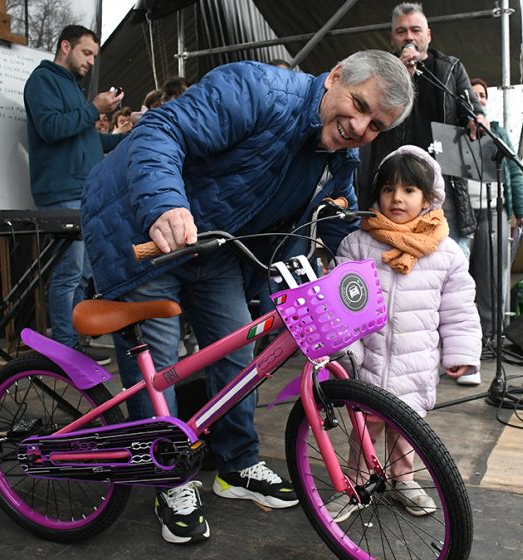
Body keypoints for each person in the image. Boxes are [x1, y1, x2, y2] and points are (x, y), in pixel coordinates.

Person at [81, 50, 415, 544]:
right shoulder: (258, 91)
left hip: (214, 247)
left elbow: (326, 217)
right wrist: (166, 204)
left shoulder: (339, 156)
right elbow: (159, 132)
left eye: (375, 125)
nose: (359, 126)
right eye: (359, 105)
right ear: (336, 75)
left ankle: (236, 465)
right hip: (142, 229)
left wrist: (376, 233)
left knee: (237, 351)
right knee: (158, 359)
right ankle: (171, 479)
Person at [334, 145, 481, 520]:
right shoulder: (357, 243)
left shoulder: (445, 253)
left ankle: (404, 480)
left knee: (406, 429)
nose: (396, 198)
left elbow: (459, 309)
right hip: (366, 358)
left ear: (429, 198)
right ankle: (356, 483)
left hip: (414, 361)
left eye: (409, 190)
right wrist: (346, 351)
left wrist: (462, 354)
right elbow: (339, 303)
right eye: (387, 189)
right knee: (364, 430)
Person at [24, 25, 124, 366]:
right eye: (86, 53)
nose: (91, 62)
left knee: (80, 274)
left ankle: (75, 345)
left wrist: (134, 132)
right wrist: (94, 108)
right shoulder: (42, 81)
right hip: (61, 194)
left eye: (94, 55)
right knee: (68, 274)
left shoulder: (71, 88)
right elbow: (51, 128)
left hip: (83, 193)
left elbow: (90, 142)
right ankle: (65, 349)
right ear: (65, 46)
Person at [358, 2, 486, 258]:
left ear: (428, 34)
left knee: (446, 267)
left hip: (443, 189)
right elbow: (370, 111)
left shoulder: (449, 69)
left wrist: (477, 118)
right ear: (392, 37)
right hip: (394, 185)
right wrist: (401, 75)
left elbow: (470, 107)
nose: (409, 37)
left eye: (415, 30)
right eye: (401, 31)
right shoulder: (381, 71)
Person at [465, 77, 523, 366]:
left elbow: (514, 172)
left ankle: (490, 337)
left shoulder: (496, 132)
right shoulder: (453, 132)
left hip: (493, 210)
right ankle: (465, 339)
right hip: (462, 212)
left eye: (481, 95)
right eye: (472, 95)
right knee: (462, 279)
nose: (477, 99)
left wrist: (521, 211)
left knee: (491, 277)